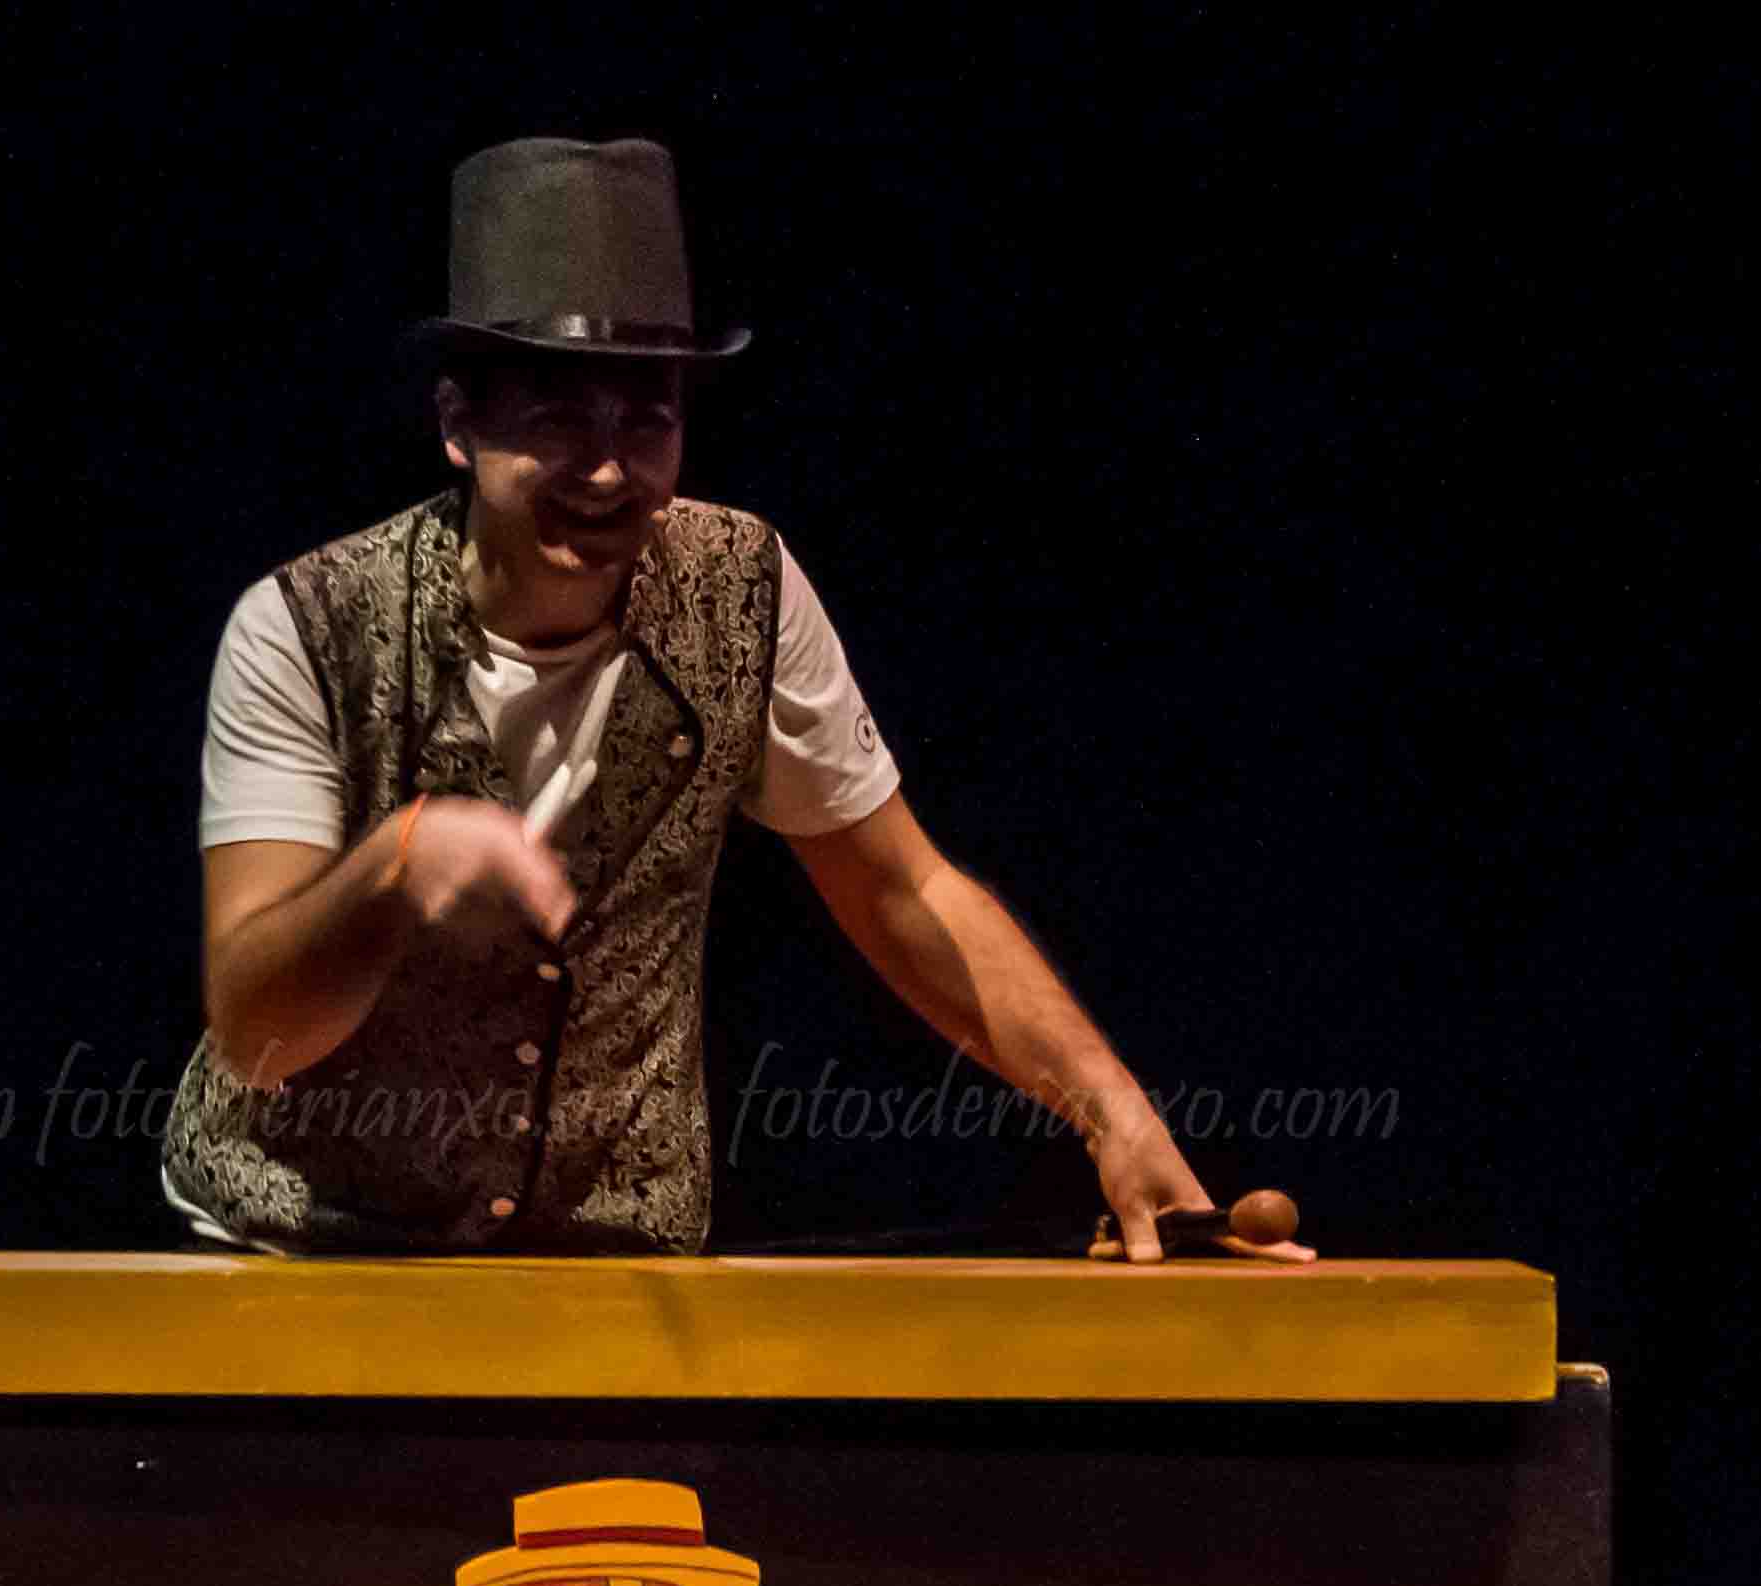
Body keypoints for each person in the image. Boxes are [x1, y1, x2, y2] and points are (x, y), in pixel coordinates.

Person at [161, 136, 1311, 1264]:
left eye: (646, 418)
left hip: (608, 1260)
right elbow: (257, 1032)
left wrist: (1111, 1112)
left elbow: (901, 888)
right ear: (458, 422)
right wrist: (394, 866)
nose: (606, 468)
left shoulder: (743, 588)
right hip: (308, 1249)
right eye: (558, 416)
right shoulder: (306, 626)